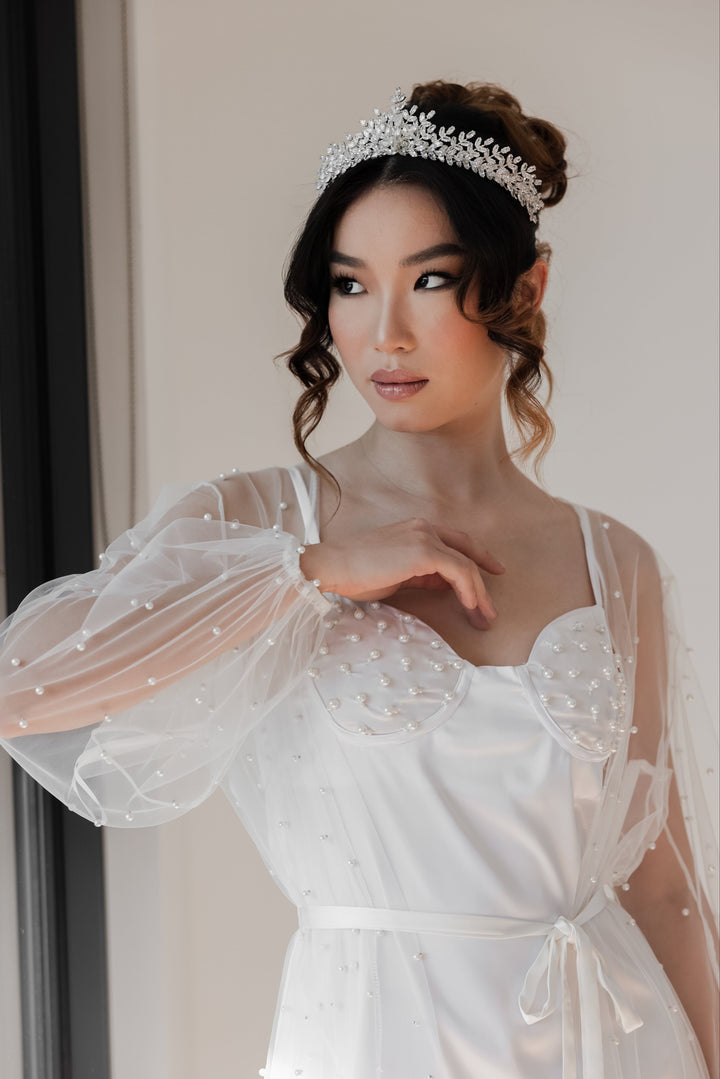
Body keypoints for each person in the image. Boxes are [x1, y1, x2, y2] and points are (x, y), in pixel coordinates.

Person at [0, 79, 717, 1079]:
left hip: (614, 1042)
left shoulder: (614, 559)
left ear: (526, 288)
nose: (384, 331)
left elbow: (663, 889)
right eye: (349, 283)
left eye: (429, 280)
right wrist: (310, 571)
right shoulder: (263, 519)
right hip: (376, 1039)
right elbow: (21, 686)